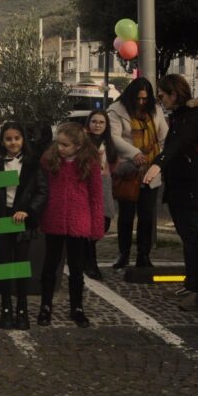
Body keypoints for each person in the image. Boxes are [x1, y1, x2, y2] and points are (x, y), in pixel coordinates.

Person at [142, 75, 198, 311]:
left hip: (194, 187)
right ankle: (192, 281)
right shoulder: (180, 116)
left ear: (174, 94)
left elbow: (180, 144)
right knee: (187, 238)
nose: (160, 100)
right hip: (180, 187)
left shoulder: (196, 117)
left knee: (193, 238)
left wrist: (157, 164)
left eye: (162, 95)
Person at [37, 122, 103, 328]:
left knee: (76, 269)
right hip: (55, 219)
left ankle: (77, 307)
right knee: (49, 266)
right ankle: (45, 306)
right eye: (59, 144)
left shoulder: (90, 163)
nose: (60, 148)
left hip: (79, 222)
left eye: (65, 145)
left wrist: (96, 225)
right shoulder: (49, 161)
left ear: (77, 145)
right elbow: (43, 189)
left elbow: (96, 196)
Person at [0, 121, 47, 330]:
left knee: (20, 265)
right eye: (8, 139)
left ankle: (22, 309)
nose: (13, 143)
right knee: (3, 266)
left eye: (16, 138)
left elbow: (42, 192)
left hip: (22, 220)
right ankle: (6, 308)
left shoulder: (33, 163)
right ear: (2, 140)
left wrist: (27, 211)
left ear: (23, 140)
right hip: (1, 218)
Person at [106, 77, 168, 269]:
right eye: (138, 98)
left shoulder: (155, 110)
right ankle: (123, 253)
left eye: (144, 99)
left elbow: (164, 135)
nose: (141, 102)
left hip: (151, 169)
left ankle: (143, 254)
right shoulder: (116, 110)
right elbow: (114, 137)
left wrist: (160, 160)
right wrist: (134, 153)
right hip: (129, 170)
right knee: (126, 215)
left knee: (147, 215)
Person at [84, 110, 119, 280]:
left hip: (105, 190)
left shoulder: (109, 143)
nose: (97, 125)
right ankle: (91, 264)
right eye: (94, 121)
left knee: (103, 226)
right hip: (86, 191)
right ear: (89, 123)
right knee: (90, 230)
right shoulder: (83, 142)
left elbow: (114, 167)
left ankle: (87, 260)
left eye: (101, 122)